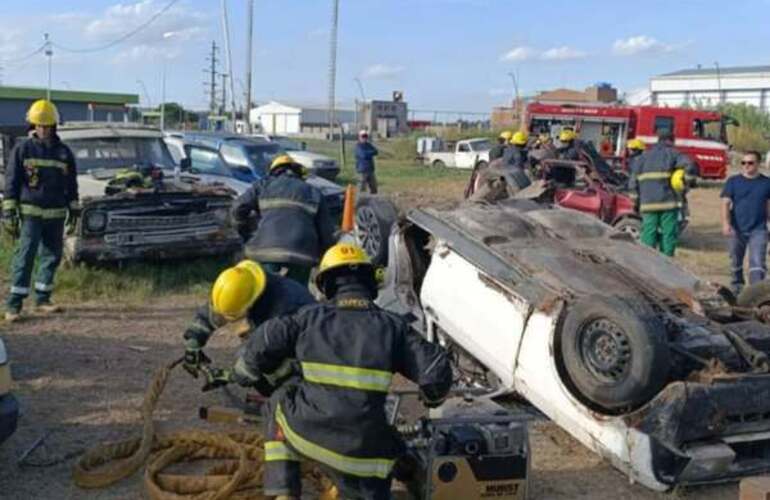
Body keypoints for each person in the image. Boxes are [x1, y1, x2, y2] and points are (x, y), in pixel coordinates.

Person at [217, 243, 453, 499]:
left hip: (311, 436)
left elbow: (264, 340)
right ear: (369, 280)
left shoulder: (307, 318)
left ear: (326, 284)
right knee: (388, 448)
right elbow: (436, 370)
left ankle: (283, 492)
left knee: (276, 405)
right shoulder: (393, 327)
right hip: (367, 458)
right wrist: (432, 397)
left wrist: (244, 372)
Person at [2, 99, 78, 322]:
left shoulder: (64, 153)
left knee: (51, 256)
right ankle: (14, 305)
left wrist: (74, 210)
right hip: (30, 213)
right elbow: (12, 181)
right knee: (25, 256)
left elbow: (71, 184)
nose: (43, 129)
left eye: (47, 125)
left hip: (56, 214)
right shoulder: (23, 149)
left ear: (54, 125)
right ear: (32, 126)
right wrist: (9, 212)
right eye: (39, 125)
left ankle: (43, 299)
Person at [181, 259, 315, 381]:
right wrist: (193, 342)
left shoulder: (280, 311)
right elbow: (214, 312)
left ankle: (287, 394)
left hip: (307, 352)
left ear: (250, 304)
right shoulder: (245, 283)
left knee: (263, 367)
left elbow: (261, 353)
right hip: (291, 333)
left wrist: (231, 376)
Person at [232, 154, 337, 285]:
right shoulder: (313, 192)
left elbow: (238, 207)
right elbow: (327, 233)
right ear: (298, 172)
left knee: (266, 293)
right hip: (302, 256)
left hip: (265, 252)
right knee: (298, 296)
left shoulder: (263, 185)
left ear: (273, 171)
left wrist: (245, 234)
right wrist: (324, 260)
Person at [630, 130, 696, 257]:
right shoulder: (673, 153)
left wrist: (636, 203)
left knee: (648, 233)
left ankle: (647, 261)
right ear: (672, 140)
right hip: (668, 203)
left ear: (658, 139)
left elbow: (633, 182)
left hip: (647, 204)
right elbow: (690, 164)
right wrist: (686, 183)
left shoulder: (643, 157)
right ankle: (667, 264)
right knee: (668, 233)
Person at [720, 151, 770, 294]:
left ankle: (756, 294)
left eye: (750, 163)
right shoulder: (733, 181)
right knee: (735, 261)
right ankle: (737, 289)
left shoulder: (767, 183)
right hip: (737, 228)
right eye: (743, 163)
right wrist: (726, 223)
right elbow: (725, 203)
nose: (746, 166)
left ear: (758, 164)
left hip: (759, 230)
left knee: (757, 263)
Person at [355, 130, 379, 194]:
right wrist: (370, 152)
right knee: (361, 189)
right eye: (363, 136)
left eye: (366, 136)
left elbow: (376, 151)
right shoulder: (358, 146)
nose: (365, 138)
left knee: (374, 188)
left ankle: (373, 201)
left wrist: (368, 152)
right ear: (359, 137)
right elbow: (363, 155)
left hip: (370, 169)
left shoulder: (368, 145)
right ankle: (360, 202)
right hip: (362, 170)